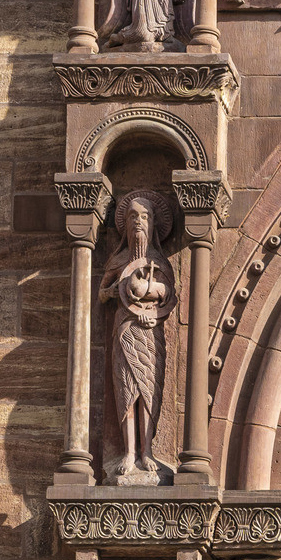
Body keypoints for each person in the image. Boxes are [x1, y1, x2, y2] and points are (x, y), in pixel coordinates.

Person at [99, 193, 176, 481]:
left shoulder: (159, 262)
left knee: (149, 390)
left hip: (150, 332)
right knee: (127, 390)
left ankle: (148, 452)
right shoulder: (119, 261)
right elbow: (102, 293)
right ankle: (130, 452)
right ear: (126, 225)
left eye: (144, 217)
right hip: (125, 330)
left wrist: (154, 312)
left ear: (154, 224)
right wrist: (117, 288)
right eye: (133, 217)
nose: (138, 222)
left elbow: (170, 298)